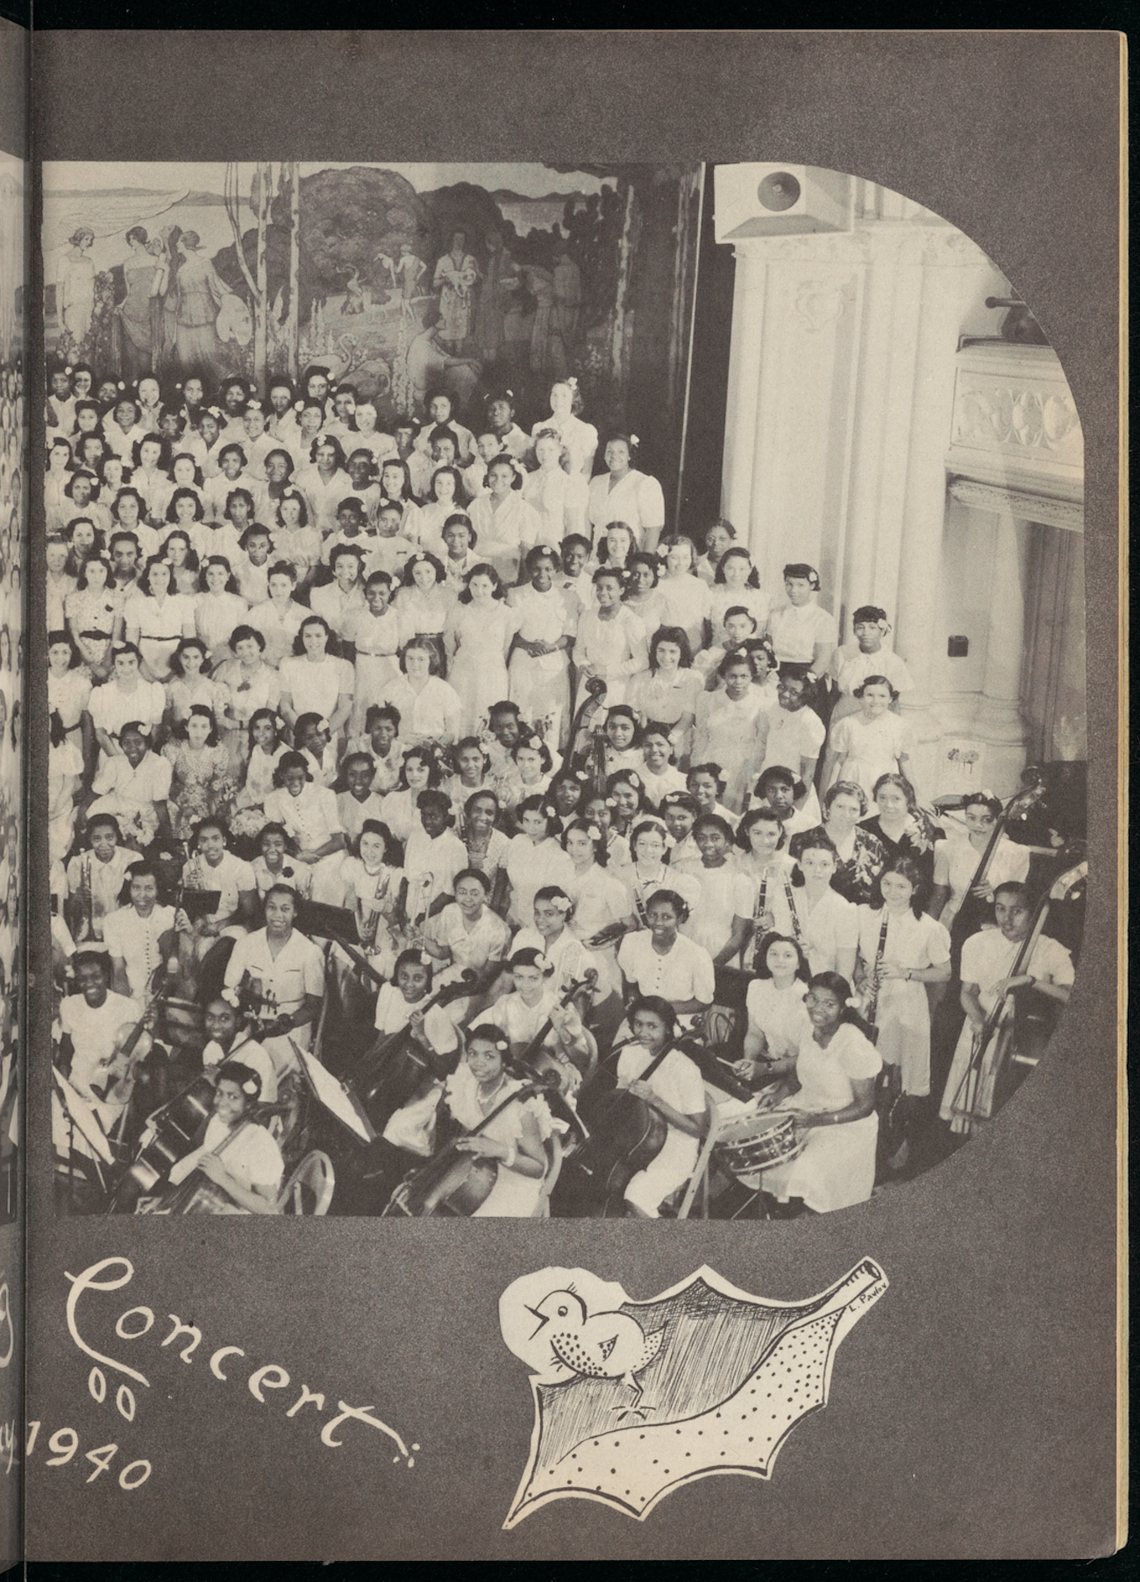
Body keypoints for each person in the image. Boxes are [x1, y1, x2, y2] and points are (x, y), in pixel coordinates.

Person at [938, 881, 1074, 1137]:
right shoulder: (977, 942)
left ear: (1033, 912)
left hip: (1021, 1038)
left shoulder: (1050, 949)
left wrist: (1032, 981)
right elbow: (967, 992)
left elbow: (1071, 998)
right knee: (966, 1113)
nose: (1006, 919)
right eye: (1000, 909)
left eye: (1017, 911)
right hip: (980, 1027)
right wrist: (978, 1021)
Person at [754, 972, 881, 1216]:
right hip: (806, 1108)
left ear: (843, 1007)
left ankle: (806, 1218)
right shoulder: (808, 1029)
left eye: (829, 1003)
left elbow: (865, 1105)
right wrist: (779, 1095)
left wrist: (818, 1121)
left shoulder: (853, 1043)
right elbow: (801, 1074)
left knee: (805, 1173)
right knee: (760, 1149)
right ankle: (776, 1213)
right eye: (812, 999)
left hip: (845, 1123)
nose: (817, 1009)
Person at [854, 856, 951, 1105]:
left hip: (907, 1003)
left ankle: (890, 1119)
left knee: (897, 1073)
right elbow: (851, 953)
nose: (892, 892)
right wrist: (860, 976)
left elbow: (944, 972)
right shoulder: (862, 914)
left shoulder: (929, 927)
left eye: (901, 886)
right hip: (869, 997)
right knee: (862, 1066)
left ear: (915, 889)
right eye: (887, 883)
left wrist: (905, 972)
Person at [434, 1026, 555, 1218]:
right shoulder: (469, 1086)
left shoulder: (520, 1105)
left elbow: (539, 1168)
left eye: (489, 1056)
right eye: (473, 1054)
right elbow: (466, 1133)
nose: (478, 1063)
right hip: (476, 1171)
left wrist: (499, 1150)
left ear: (503, 1061)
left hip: (514, 1183)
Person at [223, 884, 325, 1083]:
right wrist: (243, 1002)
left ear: (295, 912)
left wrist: (287, 1023)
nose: (277, 915)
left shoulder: (310, 952)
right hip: (252, 1025)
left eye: (285, 909)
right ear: (264, 909)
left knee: (270, 1081)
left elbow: (313, 1007)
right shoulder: (245, 943)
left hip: (292, 1030)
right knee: (236, 1076)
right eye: (272, 907)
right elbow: (229, 988)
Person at [614, 996, 706, 1219]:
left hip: (675, 1148)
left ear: (667, 1029)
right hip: (637, 1139)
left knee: (636, 1197)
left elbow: (697, 1129)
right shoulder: (630, 1053)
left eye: (652, 1026)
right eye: (638, 1024)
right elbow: (622, 1101)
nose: (643, 1032)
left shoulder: (685, 1068)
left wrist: (655, 1100)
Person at [165, 1061, 284, 1214]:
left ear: (248, 1104)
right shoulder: (217, 1122)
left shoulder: (260, 1143)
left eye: (233, 1097)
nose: (221, 1103)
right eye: (219, 1093)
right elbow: (198, 1174)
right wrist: (166, 1203)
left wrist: (222, 1178)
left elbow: (270, 1211)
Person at [928, 791, 1031, 933]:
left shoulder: (1016, 853)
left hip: (994, 924)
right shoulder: (948, 848)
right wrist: (925, 930)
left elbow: (1020, 901)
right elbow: (939, 894)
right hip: (953, 921)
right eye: (971, 818)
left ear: (997, 819)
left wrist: (996, 892)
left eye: (987, 819)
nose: (978, 825)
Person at [767, 831, 858, 980]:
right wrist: (792, 947)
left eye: (825, 864)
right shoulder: (783, 895)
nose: (817, 870)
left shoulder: (845, 909)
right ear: (800, 865)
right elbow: (775, 945)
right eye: (810, 863)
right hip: (786, 981)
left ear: (834, 867)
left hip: (824, 988)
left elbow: (845, 971)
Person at [692, 650, 771, 812]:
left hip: (743, 768)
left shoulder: (762, 705)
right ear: (724, 676)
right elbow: (700, 736)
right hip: (711, 762)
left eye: (744, 676)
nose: (738, 682)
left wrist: (752, 774)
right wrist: (696, 769)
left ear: (751, 677)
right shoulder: (707, 699)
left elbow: (761, 743)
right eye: (732, 676)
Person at [443, 563, 517, 737]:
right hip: (464, 670)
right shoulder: (459, 610)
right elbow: (449, 644)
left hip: (493, 672)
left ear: (495, 586)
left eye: (485, 586)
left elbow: (505, 647)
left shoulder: (506, 613)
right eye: (474, 585)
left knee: (488, 714)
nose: (479, 591)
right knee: (462, 716)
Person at [822, 675, 913, 802]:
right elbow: (839, 761)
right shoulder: (849, 723)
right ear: (861, 698)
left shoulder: (900, 725)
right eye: (870, 695)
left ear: (891, 698)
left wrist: (914, 792)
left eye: (882, 696)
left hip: (885, 780)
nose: (876, 701)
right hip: (853, 778)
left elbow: (904, 760)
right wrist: (830, 793)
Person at [572, 566, 648, 707]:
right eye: (599, 588)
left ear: (621, 590)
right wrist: (584, 665)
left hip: (616, 689)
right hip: (588, 686)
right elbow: (578, 650)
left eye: (609, 588)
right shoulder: (587, 616)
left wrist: (606, 671)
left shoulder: (631, 620)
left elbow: (642, 661)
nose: (602, 593)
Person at [627, 626, 703, 766]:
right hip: (647, 739)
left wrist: (668, 741)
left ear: (682, 653)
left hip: (679, 739)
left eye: (673, 651)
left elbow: (688, 718)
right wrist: (649, 741)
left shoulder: (692, 678)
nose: (666, 657)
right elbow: (636, 715)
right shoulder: (640, 678)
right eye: (661, 650)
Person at [103, 860, 177, 1002]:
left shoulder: (172, 915)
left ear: (158, 889)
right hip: (132, 994)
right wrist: (126, 1005)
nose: (142, 895)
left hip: (166, 994)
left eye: (149, 888)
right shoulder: (113, 920)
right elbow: (118, 971)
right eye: (136, 888)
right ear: (129, 888)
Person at [277, 615, 354, 744]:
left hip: (329, 736)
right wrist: (302, 733)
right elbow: (285, 705)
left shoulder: (344, 666)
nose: (313, 641)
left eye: (318, 635)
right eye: (308, 636)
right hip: (297, 734)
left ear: (327, 637)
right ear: (301, 637)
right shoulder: (287, 664)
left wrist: (323, 735)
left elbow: (344, 708)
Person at [832, 604, 914, 725]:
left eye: (872, 628)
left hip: (877, 718)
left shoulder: (893, 661)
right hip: (844, 714)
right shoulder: (842, 653)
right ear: (854, 630)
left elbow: (894, 702)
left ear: (882, 631)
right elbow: (834, 692)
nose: (866, 633)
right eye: (860, 627)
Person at [586, 433, 666, 554]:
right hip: (598, 557)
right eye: (610, 451)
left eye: (621, 452)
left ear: (629, 455)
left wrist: (644, 563)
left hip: (630, 558)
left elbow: (653, 530)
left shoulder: (644, 483)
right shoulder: (596, 482)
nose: (614, 456)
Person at [813, 780, 887, 906]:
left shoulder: (872, 843)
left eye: (853, 809)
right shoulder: (806, 840)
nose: (846, 814)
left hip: (860, 919)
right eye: (840, 807)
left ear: (860, 813)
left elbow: (880, 891)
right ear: (827, 808)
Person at [765, 562, 838, 681]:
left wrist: (804, 683)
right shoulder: (775, 614)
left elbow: (823, 661)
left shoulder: (823, 618)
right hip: (775, 675)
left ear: (812, 585)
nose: (793, 590)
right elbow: (768, 650)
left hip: (807, 676)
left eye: (800, 585)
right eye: (789, 584)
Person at [529, 379, 597, 477]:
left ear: (573, 399)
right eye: (554, 395)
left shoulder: (586, 430)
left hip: (574, 488)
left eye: (564, 395)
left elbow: (586, 471)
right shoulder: (539, 427)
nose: (558, 400)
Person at [709, 546, 770, 647]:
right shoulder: (711, 593)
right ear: (723, 568)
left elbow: (759, 634)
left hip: (749, 654)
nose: (736, 574)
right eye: (730, 568)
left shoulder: (761, 598)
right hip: (718, 652)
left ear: (750, 570)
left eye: (742, 569)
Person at [57, 229, 96, 347]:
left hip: (89, 310)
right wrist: (60, 320)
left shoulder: (89, 261)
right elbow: (59, 290)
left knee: (89, 348)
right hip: (73, 310)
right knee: (75, 347)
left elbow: (93, 288)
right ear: (78, 238)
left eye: (91, 240)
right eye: (86, 239)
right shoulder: (65, 260)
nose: (89, 242)